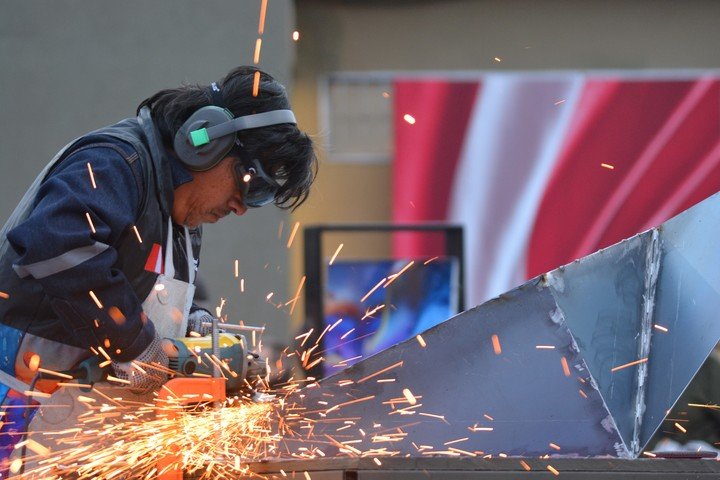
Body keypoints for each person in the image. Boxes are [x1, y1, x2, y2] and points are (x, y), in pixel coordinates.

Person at [0, 66, 317, 466]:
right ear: (207, 141)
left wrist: (190, 326)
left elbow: (139, 298)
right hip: (17, 411)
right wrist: (135, 346)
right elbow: (56, 244)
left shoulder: (180, 215)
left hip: (68, 429)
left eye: (258, 199)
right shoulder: (118, 162)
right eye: (250, 185)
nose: (241, 206)